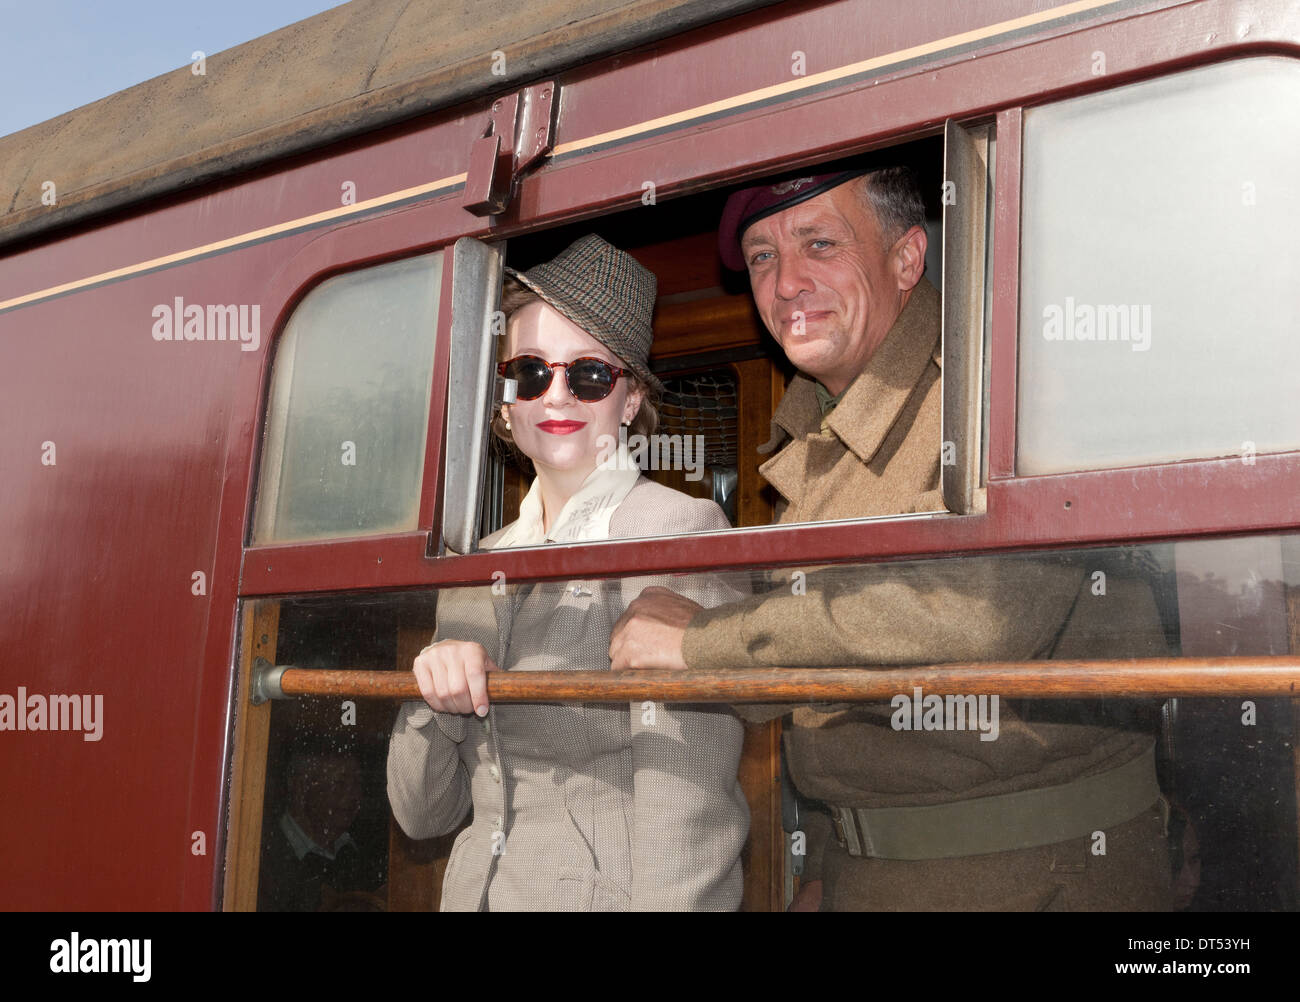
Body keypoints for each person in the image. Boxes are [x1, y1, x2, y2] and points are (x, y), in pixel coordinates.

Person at [609, 168, 1173, 911]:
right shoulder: (813, 428)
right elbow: (832, 688)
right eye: (763, 257)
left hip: (1026, 870)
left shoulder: (1003, 384)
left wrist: (704, 643)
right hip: (868, 865)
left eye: (819, 243)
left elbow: (974, 615)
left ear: (908, 260)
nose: (785, 285)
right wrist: (826, 853)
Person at [387, 234, 749, 911]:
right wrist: (430, 695)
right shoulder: (478, 562)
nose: (555, 396)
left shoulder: (675, 531)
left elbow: (688, 808)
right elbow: (422, 814)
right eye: (530, 372)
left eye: (587, 375)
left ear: (631, 399)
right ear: (505, 401)